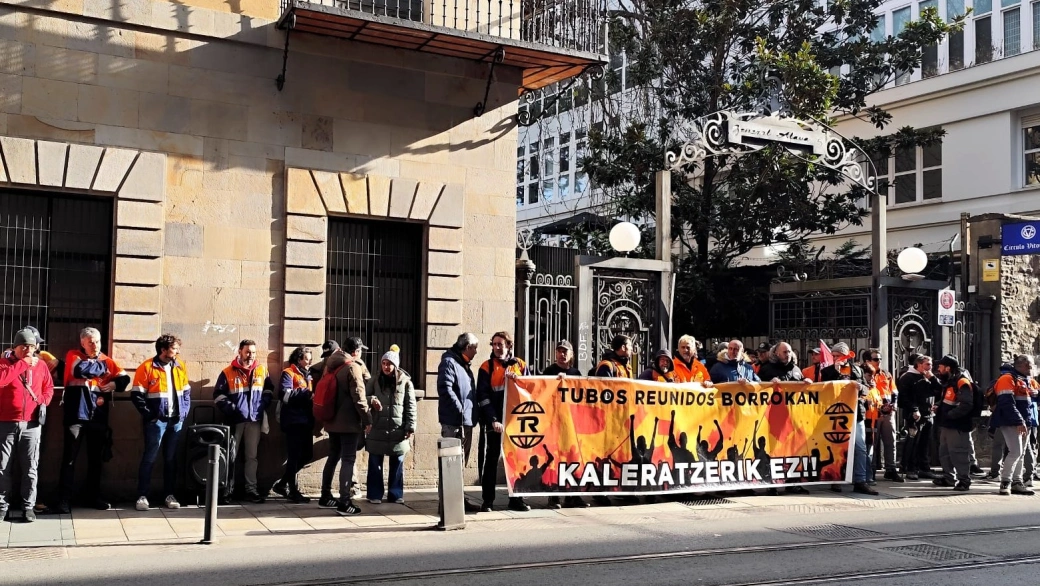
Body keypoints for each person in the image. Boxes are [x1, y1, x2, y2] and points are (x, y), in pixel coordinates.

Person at [52, 328, 130, 514]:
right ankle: (64, 500)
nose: (95, 345)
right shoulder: (74, 355)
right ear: (83, 343)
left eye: (97, 341)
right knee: (69, 459)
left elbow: (125, 378)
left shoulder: (106, 360)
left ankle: (92, 496)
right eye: (90, 342)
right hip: (76, 415)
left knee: (95, 460)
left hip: (97, 416)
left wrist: (115, 384)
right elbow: (80, 371)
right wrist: (103, 368)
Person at [0, 329, 55, 522]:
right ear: (15, 347)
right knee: (2, 467)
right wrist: (22, 364)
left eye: (32, 346)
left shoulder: (41, 365)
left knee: (30, 467)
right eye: (24, 346)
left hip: (31, 424)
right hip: (6, 422)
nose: (28, 350)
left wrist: (43, 401)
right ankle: (2, 506)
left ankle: (28, 507)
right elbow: (2, 380)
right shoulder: (4, 363)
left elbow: (49, 387)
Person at [131, 334, 190, 511]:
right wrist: (151, 416)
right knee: (150, 457)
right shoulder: (147, 367)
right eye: (174, 349)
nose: (177, 352)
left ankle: (169, 495)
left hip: (176, 420)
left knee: (171, 459)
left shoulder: (180, 366)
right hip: (156, 422)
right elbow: (136, 395)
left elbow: (186, 392)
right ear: (163, 350)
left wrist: (184, 412)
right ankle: (142, 496)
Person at [214, 339, 274, 503]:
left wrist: (263, 404)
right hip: (235, 421)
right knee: (230, 456)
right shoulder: (227, 372)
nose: (251, 355)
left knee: (251, 457)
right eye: (247, 352)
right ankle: (227, 490)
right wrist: (233, 409)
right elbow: (218, 395)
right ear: (240, 351)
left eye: (253, 352)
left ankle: (251, 490)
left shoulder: (262, 370)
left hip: (254, 419)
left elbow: (269, 389)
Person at [476, 332, 531, 512]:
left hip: (516, 420)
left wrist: (518, 381)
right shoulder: (487, 367)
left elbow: (531, 388)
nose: (497, 347)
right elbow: (482, 396)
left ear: (509, 345)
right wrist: (493, 420)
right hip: (496, 422)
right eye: (494, 344)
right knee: (491, 459)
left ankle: (516, 499)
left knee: (517, 460)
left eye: (500, 344)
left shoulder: (520, 365)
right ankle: (488, 501)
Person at [318, 337, 369, 505]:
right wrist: (367, 419)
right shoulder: (352, 367)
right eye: (360, 351)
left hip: (332, 420)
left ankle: (325, 495)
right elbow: (359, 397)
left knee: (333, 457)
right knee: (348, 459)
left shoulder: (330, 364)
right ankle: (345, 501)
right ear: (355, 351)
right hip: (348, 423)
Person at [821, 342, 876, 495]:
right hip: (836, 414)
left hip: (856, 414)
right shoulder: (827, 371)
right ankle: (836, 479)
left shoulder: (857, 370)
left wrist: (861, 387)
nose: (835, 358)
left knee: (860, 447)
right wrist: (835, 372)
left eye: (838, 356)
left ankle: (860, 481)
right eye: (833, 356)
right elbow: (823, 388)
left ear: (846, 356)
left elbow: (867, 390)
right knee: (837, 447)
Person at [365, 345, 415, 505]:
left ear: (395, 365)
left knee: (397, 463)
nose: (386, 367)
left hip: (398, 430)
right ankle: (374, 494)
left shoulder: (405, 382)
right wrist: (371, 400)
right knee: (375, 463)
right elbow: (362, 397)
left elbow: (411, 406)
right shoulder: (374, 380)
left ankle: (395, 494)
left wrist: (410, 426)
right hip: (377, 428)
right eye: (384, 363)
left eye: (389, 364)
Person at [592, 335, 634, 505]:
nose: (632, 349)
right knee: (605, 456)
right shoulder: (607, 366)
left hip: (622, 419)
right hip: (608, 420)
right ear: (623, 347)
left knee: (621, 456)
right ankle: (600, 492)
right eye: (630, 345)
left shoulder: (626, 366)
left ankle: (620, 489)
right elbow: (602, 392)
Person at [991, 354, 1038, 496]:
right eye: (1030, 365)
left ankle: (1017, 482)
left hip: (1024, 421)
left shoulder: (1025, 380)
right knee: (1016, 452)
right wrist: (1019, 421)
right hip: (1011, 421)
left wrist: (1036, 394)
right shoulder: (1007, 379)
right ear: (1024, 365)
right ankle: (1006, 482)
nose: (1032, 368)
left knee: (1020, 453)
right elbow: (1006, 402)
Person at [273, 347, 314, 504]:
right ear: (298, 359)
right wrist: (306, 393)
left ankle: (282, 484)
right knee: (294, 456)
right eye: (306, 359)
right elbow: (284, 394)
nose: (309, 362)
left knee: (307, 454)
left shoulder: (308, 375)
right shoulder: (288, 373)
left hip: (306, 420)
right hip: (293, 421)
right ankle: (292, 490)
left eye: (310, 359)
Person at [932, 355, 975, 491]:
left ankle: (964, 480)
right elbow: (948, 400)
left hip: (957, 426)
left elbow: (966, 404)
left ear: (948, 368)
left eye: (940, 367)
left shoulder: (961, 381)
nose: (938, 369)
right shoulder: (950, 381)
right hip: (947, 424)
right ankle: (949, 478)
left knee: (958, 453)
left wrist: (950, 415)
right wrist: (939, 407)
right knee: (944, 453)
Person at [900, 355, 941, 480]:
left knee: (925, 443)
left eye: (931, 364)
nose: (930, 367)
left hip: (928, 414)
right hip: (915, 416)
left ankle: (924, 468)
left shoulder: (928, 377)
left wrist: (932, 378)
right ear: (919, 365)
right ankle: (910, 468)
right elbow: (904, 398)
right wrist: (914, 409)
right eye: (927, 364)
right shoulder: (907, 377)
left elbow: (940, 389)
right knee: (913, 442)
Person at [863, 349, 902, 483]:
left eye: (880, 359)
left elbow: (894, 391)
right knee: (871, 443)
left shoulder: (886, 373)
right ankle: (871, 470)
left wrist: (893, 405)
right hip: (872, 413)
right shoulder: (864, 374)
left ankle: (891, 469)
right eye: (876, 359)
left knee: (890, 441)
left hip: (887, 412)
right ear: (867, 361)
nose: (879, 361)